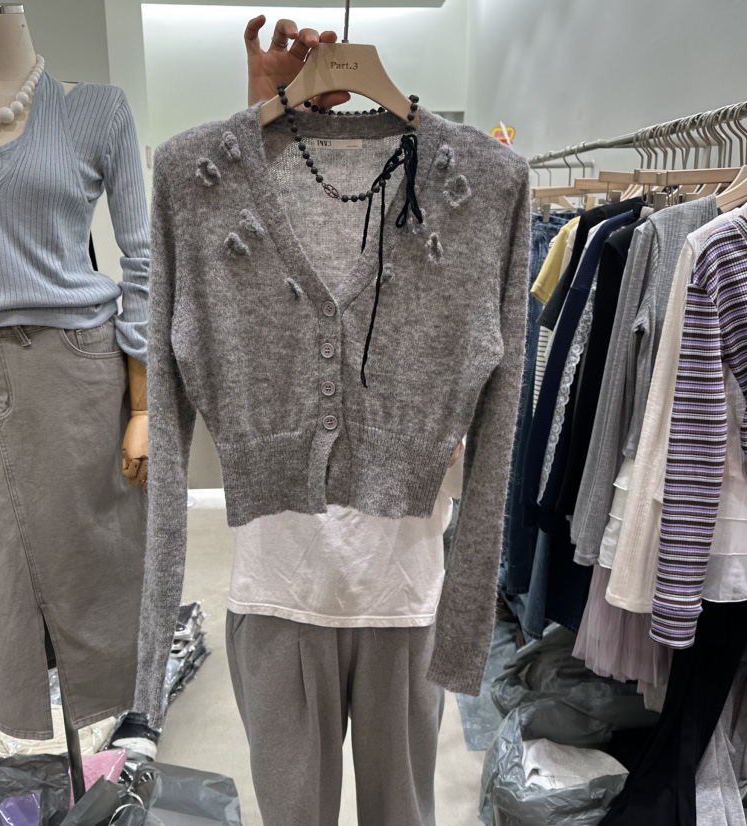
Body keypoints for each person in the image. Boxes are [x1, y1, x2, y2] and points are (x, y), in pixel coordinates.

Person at [223, 17, 464, 825]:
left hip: (403, 589)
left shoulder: (455, 203)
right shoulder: (233, 208)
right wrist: (263, 116)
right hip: (279, 587)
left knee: (403, 813)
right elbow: (232, 302)